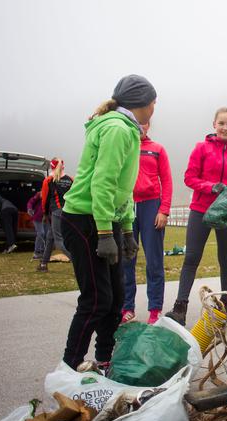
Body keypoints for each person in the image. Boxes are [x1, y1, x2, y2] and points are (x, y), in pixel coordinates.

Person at [60, 74, 156, 370]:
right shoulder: (116, 129)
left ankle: (104, 359)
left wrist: (126, 229)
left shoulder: (128, 129)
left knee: (115, 299)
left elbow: (122, 188)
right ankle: (70, 364)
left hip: (105, 217)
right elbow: (103, 183)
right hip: (85, 218)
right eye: (154, 101)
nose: (155, 106)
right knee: (97, 299)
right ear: (143, 102)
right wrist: (104, 232)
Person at [165, 107, 227, 326]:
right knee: (191, 258)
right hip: (201, 210)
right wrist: (211, 187)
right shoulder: (201, 148)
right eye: (221, 123)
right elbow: (189, 178)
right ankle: (180, 307)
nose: (225, 127)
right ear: (214, 124)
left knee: (225, 260)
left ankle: (226, 306)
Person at [121, 121, 173, 325]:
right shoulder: (124, 147)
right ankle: (127, 308)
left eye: (143, 123)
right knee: (126, 260)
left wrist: (164, 210)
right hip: (127, 206)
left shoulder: (157, 149)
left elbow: (167, 181)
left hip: (152, 206)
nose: (139, 126)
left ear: (149, 125)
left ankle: (154, 309)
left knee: (153, 261)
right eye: (135, 122)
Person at [37, 158, 73, 272]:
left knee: (58, 240)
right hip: (69, 211)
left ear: (51, 167)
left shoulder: (48, 180)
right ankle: (43, 264)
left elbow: (45, 200)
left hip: (57, 212)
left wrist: (44, 213)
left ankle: (78, 261)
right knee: (50, 237)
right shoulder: (71, 179)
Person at [26, 191, 46, 260]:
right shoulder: (40, 194)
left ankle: (41, 252)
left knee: (44, 234)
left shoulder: (50, 194)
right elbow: (31, 202)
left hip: (45, 219)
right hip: (37, 218)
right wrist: (29, 209)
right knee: (41, 233)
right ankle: (37, 252)